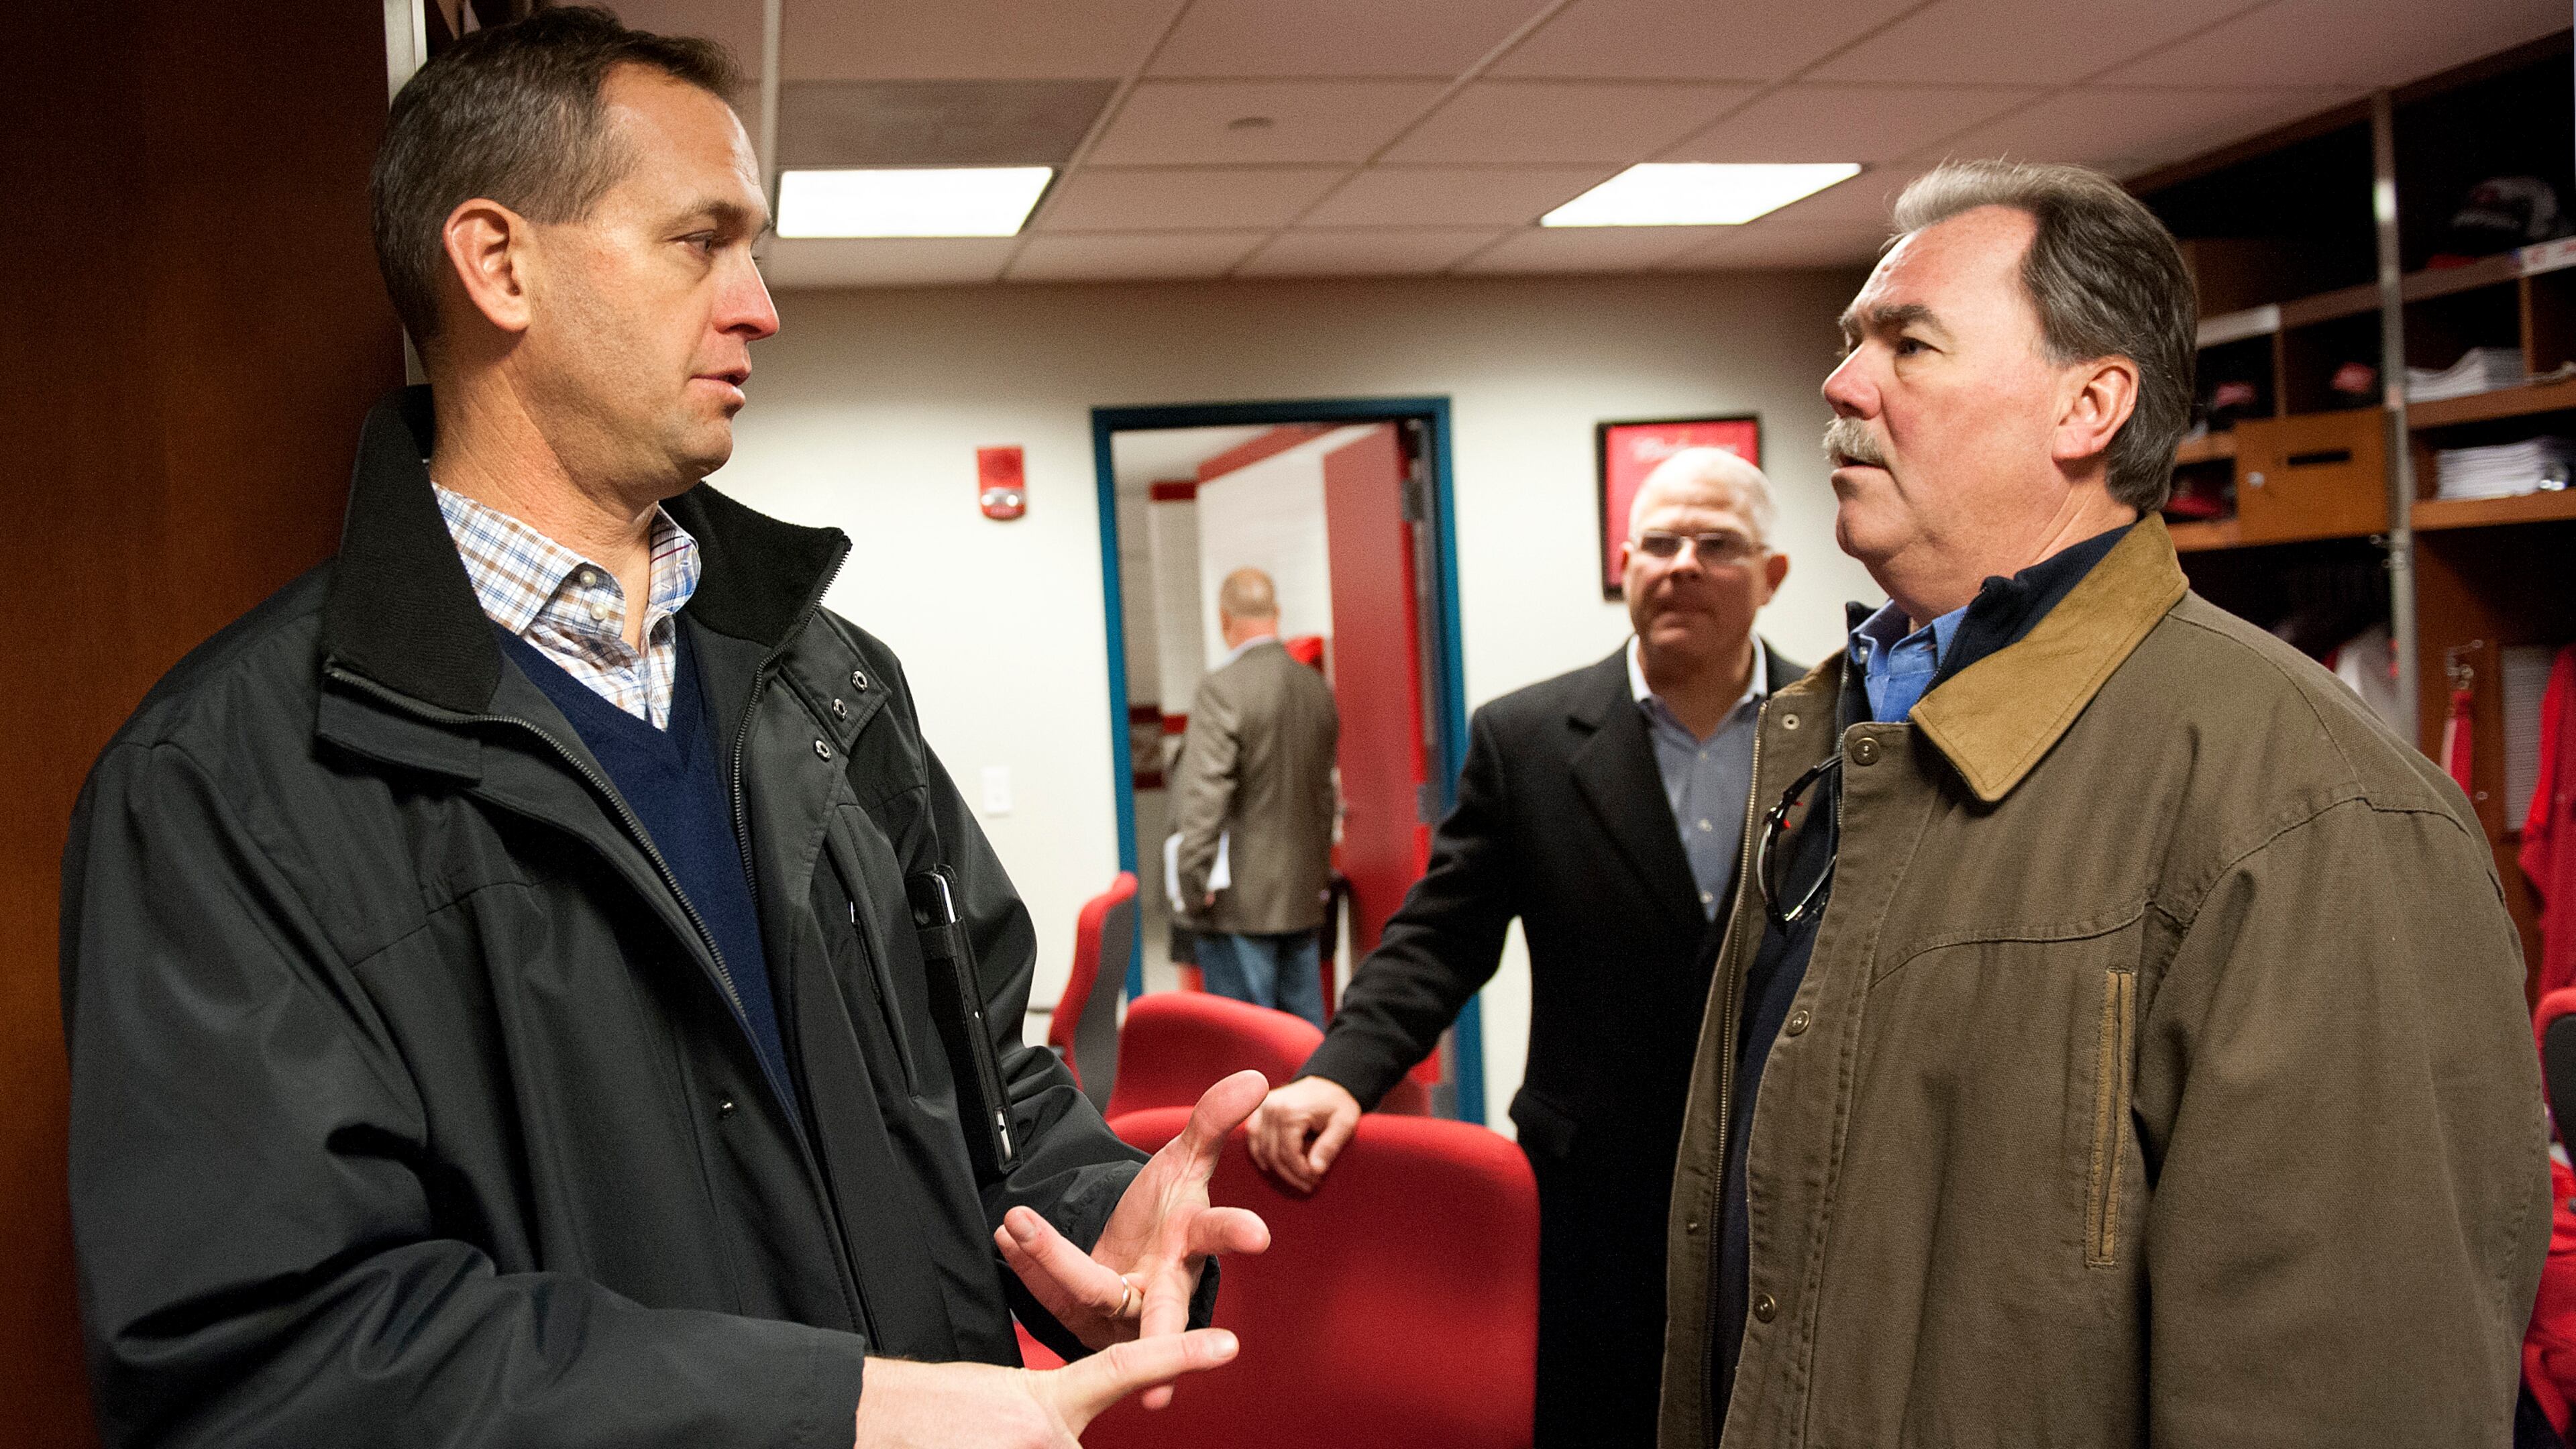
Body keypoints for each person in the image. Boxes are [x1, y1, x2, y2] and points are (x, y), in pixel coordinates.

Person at [60, 12, 1265, 1447]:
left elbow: (977, 1067)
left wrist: (1089, 1210)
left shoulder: (832, 681)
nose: (760, 305)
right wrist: (828, 1415)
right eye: (703, 241)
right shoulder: (223, 782)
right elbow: (273, 1363)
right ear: (499, 264)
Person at [1656, 159, 2548, 1448]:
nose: (1843, 385)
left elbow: (2346, 1387)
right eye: (1852, 343)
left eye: (1908, 344)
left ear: (2092, 404)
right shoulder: (1839, 738)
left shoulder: (2311, 807)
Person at [1248, 449, 1799, 1446]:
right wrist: (1342, 1073)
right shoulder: (1531, 738)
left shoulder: (1845, 735)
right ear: (1624, 563)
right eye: (1660, 542)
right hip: (1594, 1189)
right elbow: (1441, 936)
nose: (1683, 564)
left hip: (1790, 1184)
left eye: (1717, 545)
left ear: (1772, 575)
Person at [1170, 567, 1339, 1029]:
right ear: (1277, 613)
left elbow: (1205, 795)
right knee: (1303, 1042)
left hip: (1237, 905)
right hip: (1303, 896)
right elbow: (1324, 795)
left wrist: (1191, 879)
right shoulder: (1315, 688)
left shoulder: (1222, 689)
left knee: (1246, 1049)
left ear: (1225, 619)